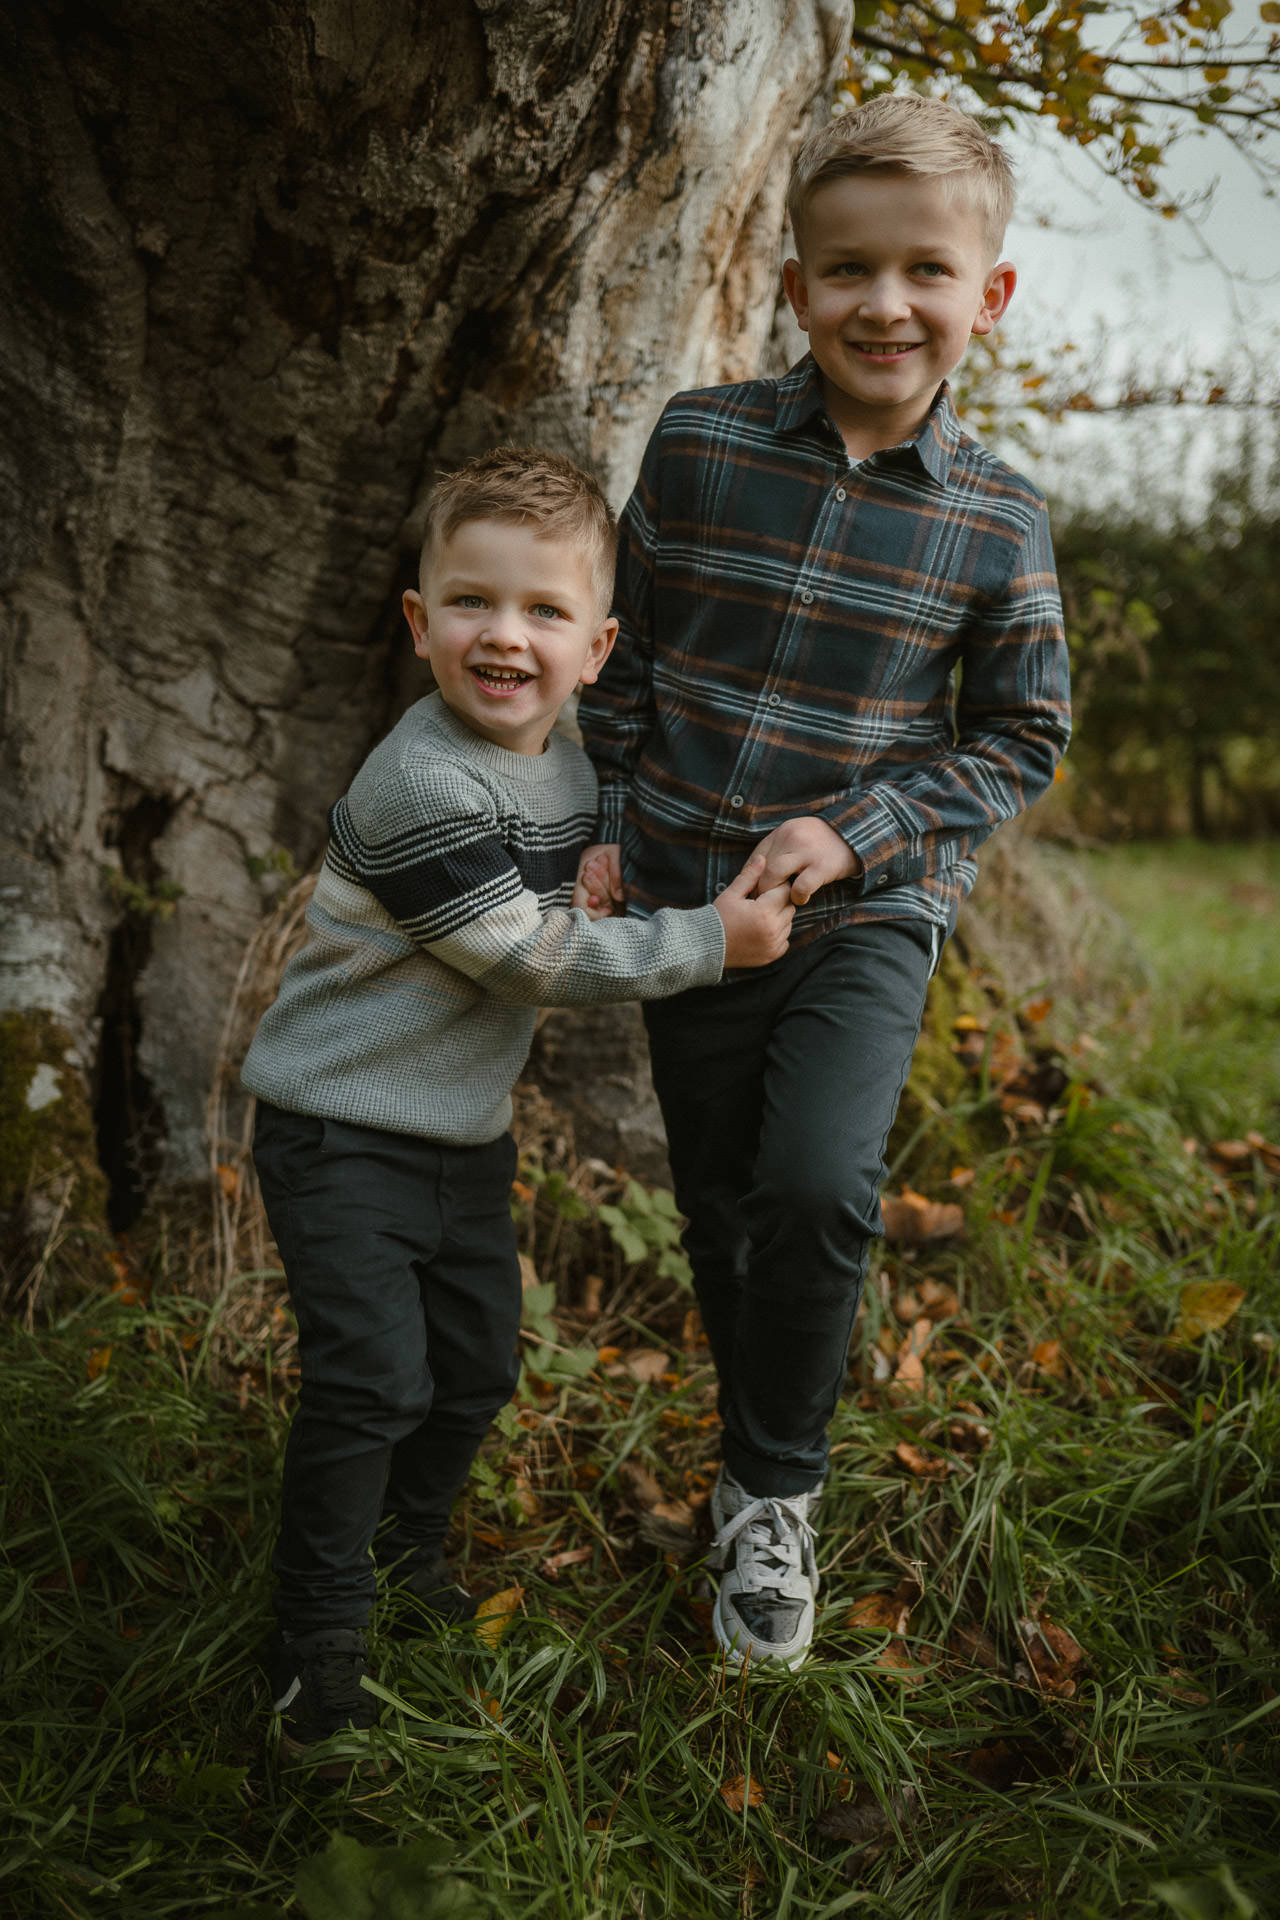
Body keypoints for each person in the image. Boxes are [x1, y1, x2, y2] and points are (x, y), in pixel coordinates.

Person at [574, 93, 1072, 1671]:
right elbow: (624, 669)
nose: (886, 303)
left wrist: (860, 830)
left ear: (986, 296)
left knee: (816, 1186)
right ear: (795, 286)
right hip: (688, 908)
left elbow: (1018, 737)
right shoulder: (704, 443)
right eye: (849, 269)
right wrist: (588, 818)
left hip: (867, 914)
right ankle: (749, 1453)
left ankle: (777, 1493)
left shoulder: (996, 518)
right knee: (722, 1204)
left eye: (928, 269)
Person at [241, 447, 794, 1763]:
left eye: (544, 611)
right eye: (475, 604)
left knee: (477, 1369)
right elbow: (525, 957)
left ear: (596, 647)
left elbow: (571, 839)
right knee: (372, 1380)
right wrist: (708, 940)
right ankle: (310, 1642)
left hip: (461, 1138)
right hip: (339, 1132)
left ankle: (401, 1551)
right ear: (421, 625)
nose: (507, 636)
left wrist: (600, 855)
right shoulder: (420, 784)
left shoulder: (565, 750)